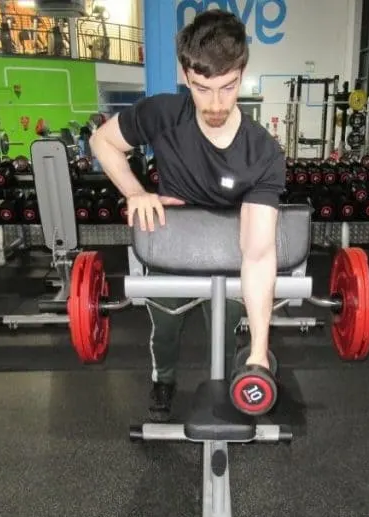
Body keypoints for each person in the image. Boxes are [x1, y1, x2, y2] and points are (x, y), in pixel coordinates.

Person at [90, 9, 285, 422]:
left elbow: (259, 252)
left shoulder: (263, 153)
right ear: (185, 74)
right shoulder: (163, 114)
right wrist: (135, 192)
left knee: (228, 329)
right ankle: (164, 380)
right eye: (202, 88)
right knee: (166, 331)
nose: (215, 103)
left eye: (228, 87)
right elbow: (102, 141)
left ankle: (232, 376)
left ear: (242, 71)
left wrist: (259, 351)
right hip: (170, 247)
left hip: (227, 255)